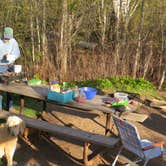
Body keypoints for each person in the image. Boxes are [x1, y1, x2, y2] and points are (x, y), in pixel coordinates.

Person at [0, 27, 20, 111]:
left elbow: (17, 53)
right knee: (0, 87)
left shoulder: (13, 41)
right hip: (0, 66)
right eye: (6, 37)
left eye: (9, 37)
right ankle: (0, 108)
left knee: (10, 86)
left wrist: (10, 58)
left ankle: (10, 106)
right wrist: (2, 57)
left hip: (10, 65)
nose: (7, 39)